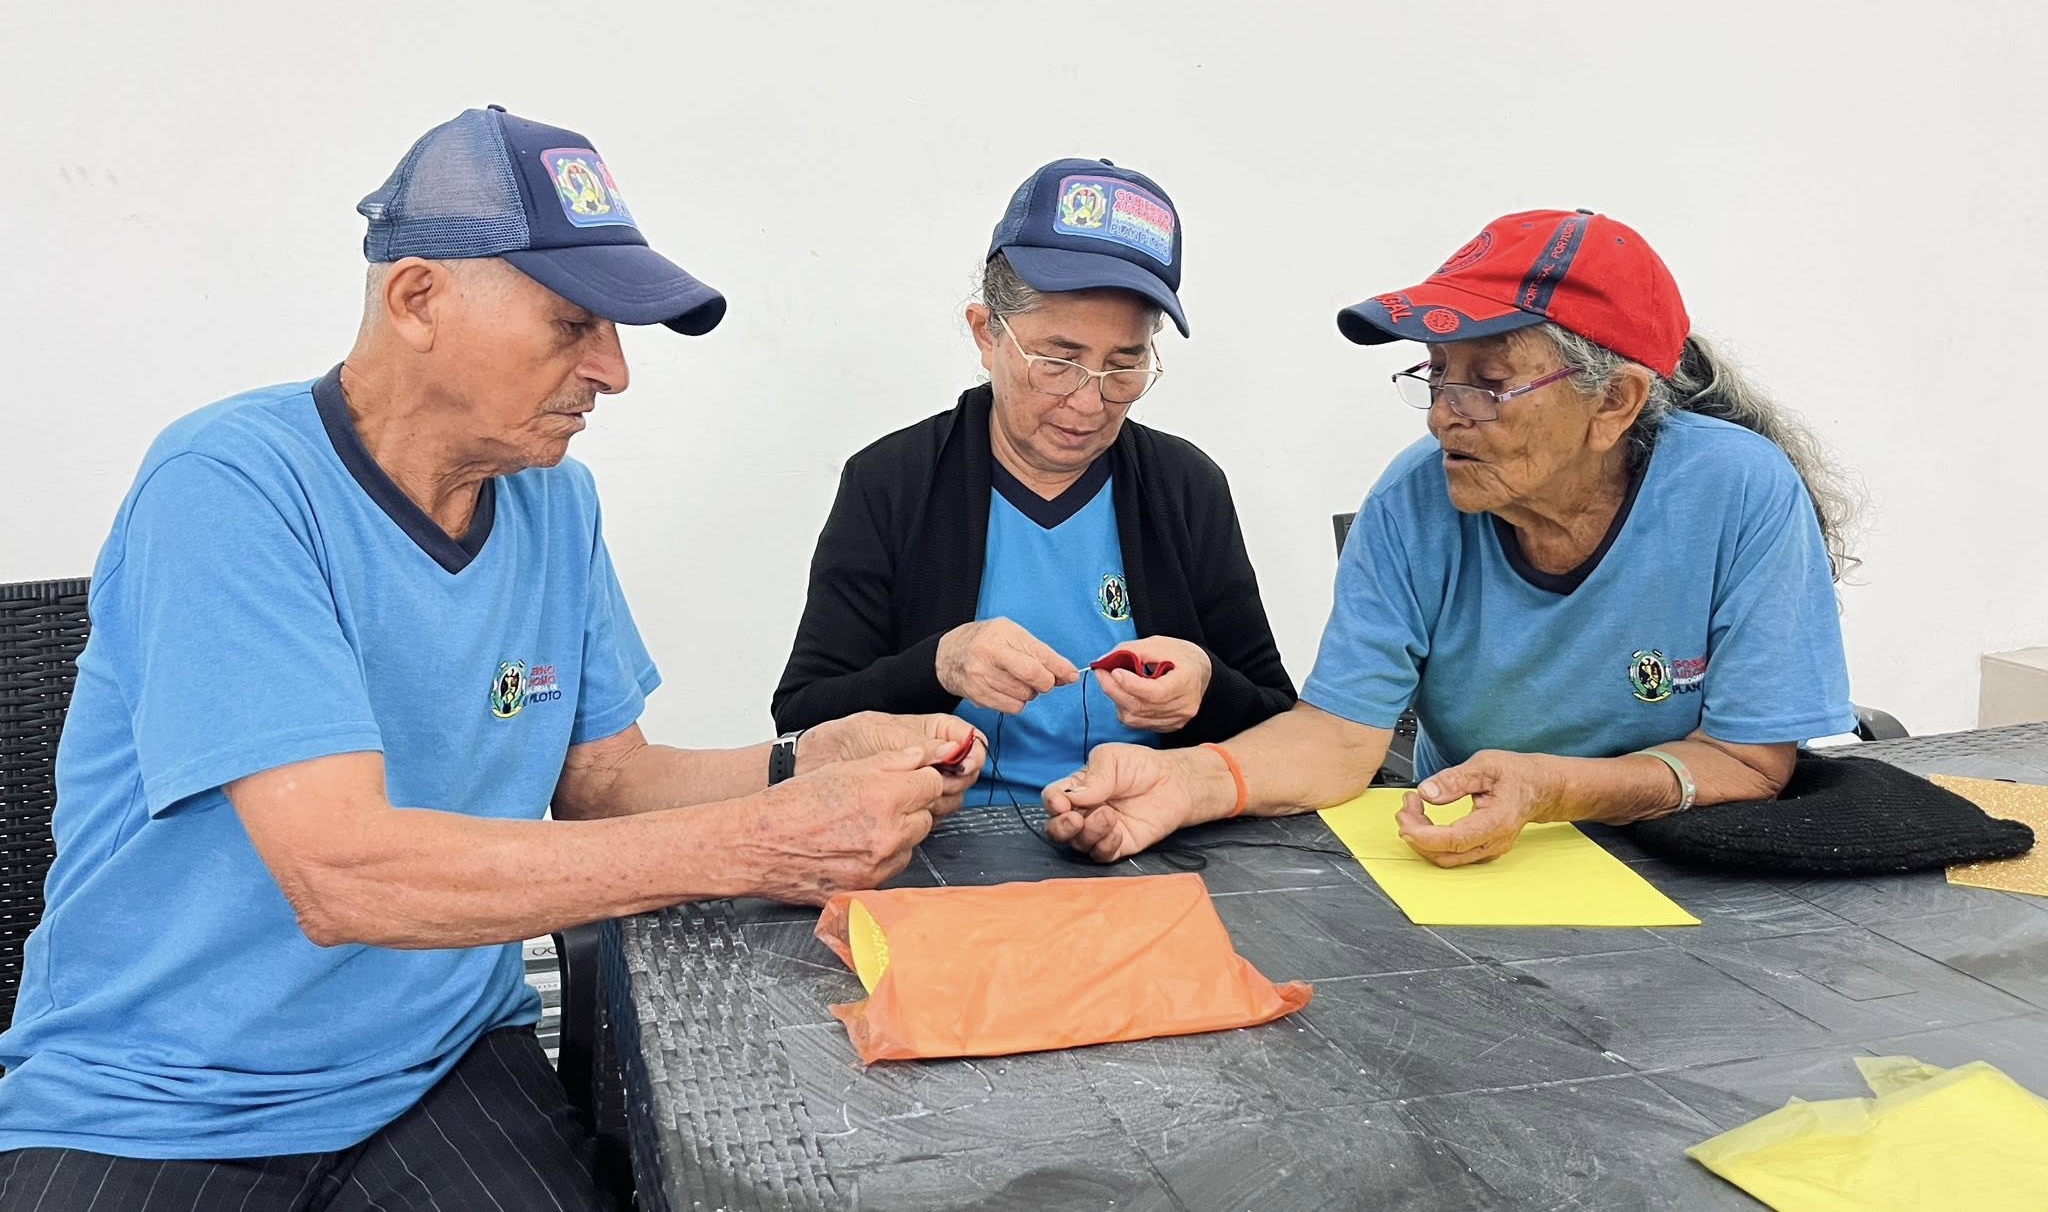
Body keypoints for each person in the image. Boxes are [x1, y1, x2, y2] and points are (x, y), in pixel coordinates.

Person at [0, 106, 981, 1211]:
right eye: (572, 324)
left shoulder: (555, 501)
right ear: (418, 298)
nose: (613, 370)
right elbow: (340, 874)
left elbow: (604, 780)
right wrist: (762, 843)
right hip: (154, 1100)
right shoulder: (226, 485)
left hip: (435, 1070)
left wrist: (809, 759)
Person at [1040, 208, 1858, 865]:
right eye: (1436, 373)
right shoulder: (1413, 501)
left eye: (1489, 385)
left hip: (1691, 864)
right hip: (1471, 857)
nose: (1441, 417)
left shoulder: (1736, 490)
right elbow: (1339, 739)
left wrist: (1556, 790)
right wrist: (1181, 782)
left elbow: (1749, 762)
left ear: (1614, 403)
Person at [772, 158, 1296, 806]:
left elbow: (1280, 724)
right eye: (1057, 361)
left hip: (1146, 823)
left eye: (1124, 367)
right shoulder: (891, 483)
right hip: (938, 830)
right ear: (986, 334)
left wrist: (1206, 687)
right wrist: (939, 664)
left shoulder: (1186, 488)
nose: (1089, 402)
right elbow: (803, 721)